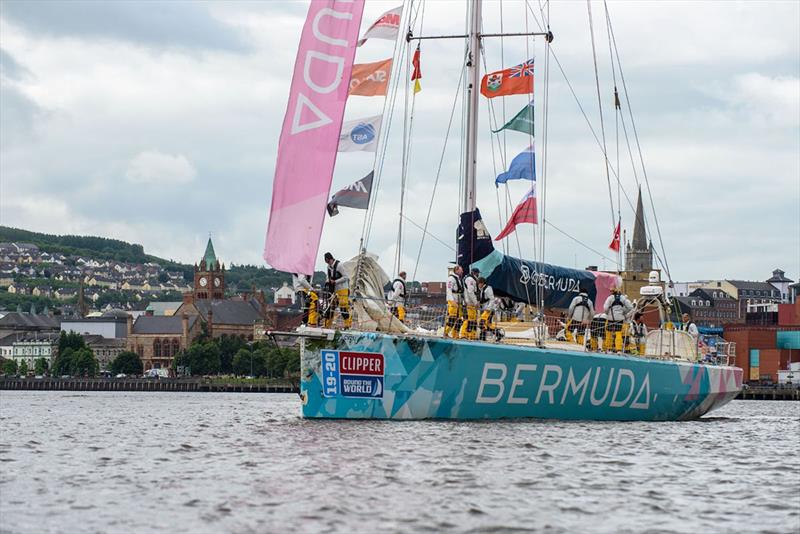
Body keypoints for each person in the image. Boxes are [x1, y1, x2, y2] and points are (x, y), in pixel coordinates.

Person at [323, 252, 352, 329]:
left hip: (343, 289)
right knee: (330, 307)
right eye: (326, 262)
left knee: (343, 307)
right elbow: (328, 276)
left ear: (331, 259)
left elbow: (346, 277)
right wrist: (327, 281)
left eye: (328, 261)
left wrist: (335, 281)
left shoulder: (339, 265)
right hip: (334, 291)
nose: (328, 263)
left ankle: (347, 325)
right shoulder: (328, 267)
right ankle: (327, 326)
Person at [603, 287, 633, 351]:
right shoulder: (623, 298)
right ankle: (618, 349)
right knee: (618, 333)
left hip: (611, 318)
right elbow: (630, 307)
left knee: (609, 333)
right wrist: (623, 312)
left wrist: (608, 313)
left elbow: (605, 308)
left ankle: (608, 348)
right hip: (620, 318)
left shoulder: (610, 298)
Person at [459, 267, 480, 340]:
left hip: (472, 303)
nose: (478, 275)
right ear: (475, 273)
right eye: (478, 273)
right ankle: (463, 335)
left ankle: (472, 335)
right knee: (468, 319)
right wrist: (475, 302)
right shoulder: (470, 280)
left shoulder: (472, 279)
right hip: (469, 302)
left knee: (473, 319)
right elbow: (470, 292)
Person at [445, 265, 463, 338]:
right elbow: (449, 290)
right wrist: (452, 301)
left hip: (458, 301)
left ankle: (455, 334)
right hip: (453, 300)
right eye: (461, 270)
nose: (462, 271)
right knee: (452, 318)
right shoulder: (451, 279)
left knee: (460, 319)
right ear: (456, 270)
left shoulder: (458, 279)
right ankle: (445, 333)